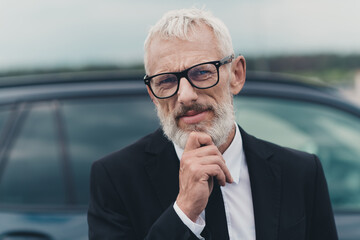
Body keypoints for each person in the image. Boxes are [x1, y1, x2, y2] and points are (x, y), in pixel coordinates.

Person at [87, 8, 338, 240]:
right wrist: (183, 212)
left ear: (236, 75)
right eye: (166, 80)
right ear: (152, 94)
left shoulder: (300, 172)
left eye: (201, 72)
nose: (185, 95)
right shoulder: (116, 179)